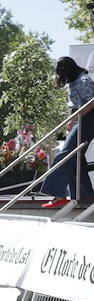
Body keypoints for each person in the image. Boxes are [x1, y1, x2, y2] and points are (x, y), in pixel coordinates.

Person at [42, 56, 94, 208]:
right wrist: (72, 120)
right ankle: (86, 195)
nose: (62, 78)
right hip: (83, 119)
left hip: (90, 120)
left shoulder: (84, 80)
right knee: (76, 158)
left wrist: (76, 118)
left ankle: (58, 194)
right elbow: (77, 105)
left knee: (66, 155)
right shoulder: (74, 82)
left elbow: (91, 103)